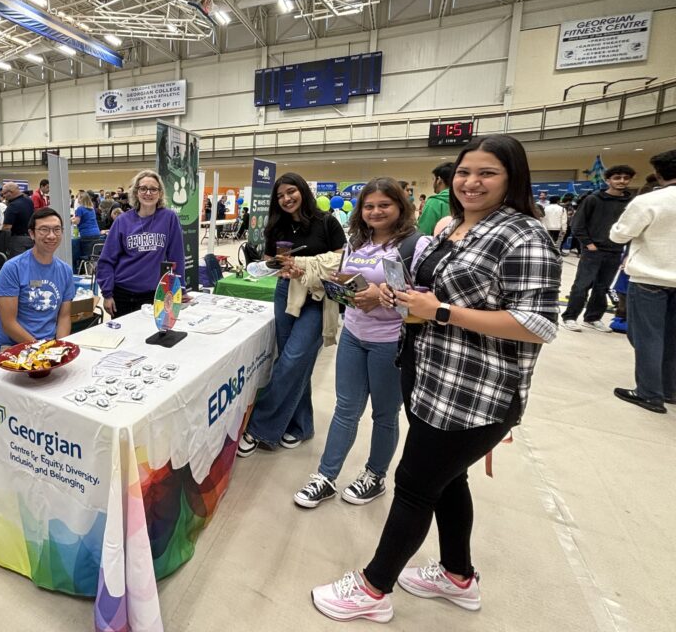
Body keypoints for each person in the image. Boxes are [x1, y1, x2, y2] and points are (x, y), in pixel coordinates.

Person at [311, 134, 560, 624]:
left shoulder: (523, 234)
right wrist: (396, 298)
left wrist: (441, 312)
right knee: (447, 481)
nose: (472, 182)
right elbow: (426, 292)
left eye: (487, 173)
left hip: (476, 393)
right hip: (429, 375)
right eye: (466, 172)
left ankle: (372, 588)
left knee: (414, 485)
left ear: (512, 178)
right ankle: (457, 576)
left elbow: (539, 324)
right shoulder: (453, 228)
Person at [294, 178, 430, 509]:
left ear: (400, 206)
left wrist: (382, 297)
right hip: (354, 335)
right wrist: (341, 284)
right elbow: (348, 277)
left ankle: (375, 475)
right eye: (369, 206)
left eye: (384, 205)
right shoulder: (358, 241)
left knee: (384, 414)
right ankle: (326, 476)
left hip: (390, 342)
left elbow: (424, 302)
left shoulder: (416, 245)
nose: (375, 211)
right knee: (346, 409)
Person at [238, 173, 347, 457]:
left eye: (291, 192)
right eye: (280, 196)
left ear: (302, 191)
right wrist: (275, 265)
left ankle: (259, 427)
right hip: (285, 292)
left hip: (317, 298)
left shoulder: (327, 222)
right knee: (292, 363)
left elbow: (341, 261)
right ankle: (301, 426)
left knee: (293, 359)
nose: (286, 199)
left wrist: (304, 266)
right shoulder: (277, 226)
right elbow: (270, 262)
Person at [609, 150, 676, 413]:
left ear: (658, 174)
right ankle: (669, 389)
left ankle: (649, 393)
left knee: (647, 336)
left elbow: (619, 235)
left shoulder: (651, 200)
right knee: (672, 336)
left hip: (650, 277)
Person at [96, 170, 184, 318]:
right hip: (123, 294)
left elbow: (177, 257)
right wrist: (107, 294)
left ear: (160, 193)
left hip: (154, 295)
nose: (148, 193)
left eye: (153, 189)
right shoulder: (122, 221)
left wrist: (180, 289)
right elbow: (106, 260)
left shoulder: (169, 218)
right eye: (143, 188)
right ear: (136, 192)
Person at [561, 164, 635, 332]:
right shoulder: (593, 199)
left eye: (626, 178)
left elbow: (633, 229)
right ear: (608, 180)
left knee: (602, 287)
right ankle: (570, 317)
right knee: (582, 285)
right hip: (593, 250)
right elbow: (577, 224)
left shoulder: (632, 202)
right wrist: (589, 244)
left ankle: (593, 317)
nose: (622, 181)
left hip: (615, 252)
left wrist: (627, 253)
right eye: (617, 177)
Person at [0, 208, 74, 350]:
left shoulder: (65, 271)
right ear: (32, 234)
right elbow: (8, 323)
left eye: (56, 230)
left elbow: (64, 317)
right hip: (14, 346)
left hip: (48, 345)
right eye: (44, 230)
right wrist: (41, 349)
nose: (51, 236)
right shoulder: (13, 268)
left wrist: (60, 348)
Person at [416, 163, 454, 235]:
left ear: (439, 180)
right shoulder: (463, 200)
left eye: (433, 179)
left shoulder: (434, 202)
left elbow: (423, 232)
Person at [0, 182, 35, 256]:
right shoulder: (29, 200)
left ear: (11, 192)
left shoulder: (13, 205)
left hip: (18, 240)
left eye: (4, 194)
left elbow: (7, 227)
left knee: (18, 264)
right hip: (31, 237)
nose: (4, 196)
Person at [71, 191, 102, 266]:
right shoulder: (92, 209)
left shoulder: (80, 209)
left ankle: (87, 271)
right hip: (96, 233)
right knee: (93, 255)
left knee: (87, 256)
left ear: (81, 199)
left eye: (78, 197)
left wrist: (70, 220)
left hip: (86, 234)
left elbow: (77, 222)